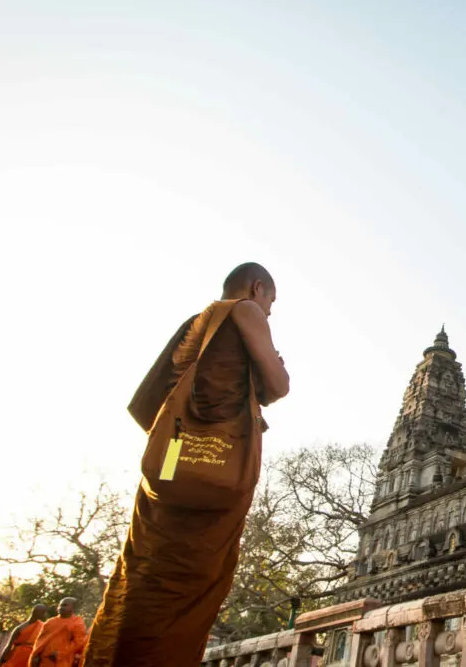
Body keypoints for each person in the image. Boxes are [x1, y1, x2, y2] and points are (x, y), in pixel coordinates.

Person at [83, 263, 289, 666]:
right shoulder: (243, 310)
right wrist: (276, 365)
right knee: (186, 586)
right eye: (271, 301)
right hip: (212, 467)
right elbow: (277, 386)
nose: (269, 311)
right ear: (257, 287)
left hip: (171, 463)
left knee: (143, 572)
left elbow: (160, 401)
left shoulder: (195, 324)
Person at [29, 599, 86, 667]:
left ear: (73, 608)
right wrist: (35, 655)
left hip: (62, 660)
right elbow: (40, 640)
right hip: (44, 660)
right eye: (59, 605)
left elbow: (79, 642)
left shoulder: (77, 622)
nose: (60, 607)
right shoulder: (50, 622)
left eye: (64, 605)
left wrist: (60, 654)